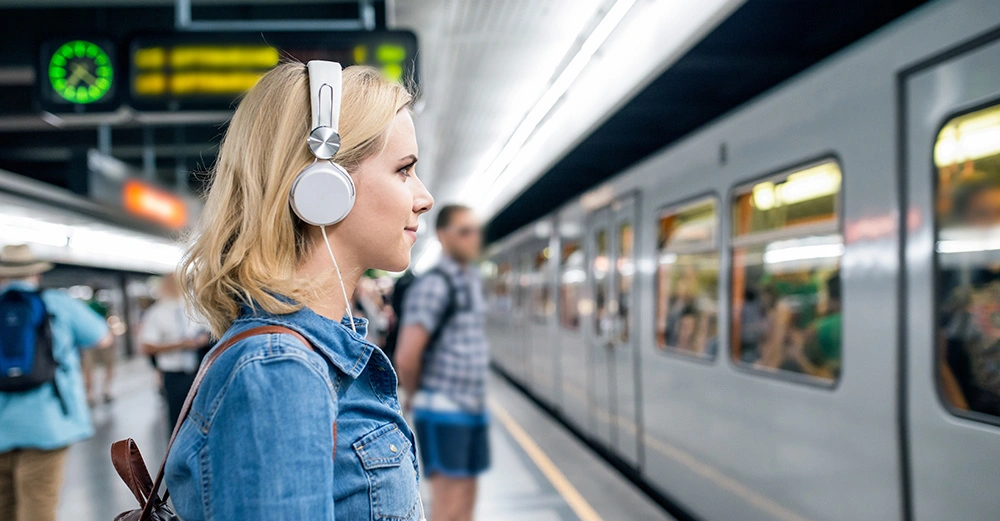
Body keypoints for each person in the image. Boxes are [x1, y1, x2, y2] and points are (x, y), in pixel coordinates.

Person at [165, 61, 433, 520]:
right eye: (404, 170)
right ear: (324, 187)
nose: (424, 196)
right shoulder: (279, 373)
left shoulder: (307, 353)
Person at [0, 244, 112, 521]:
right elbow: (102, 337)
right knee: (38, 506)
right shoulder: (56, 304)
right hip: (47, 423)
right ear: (35, 274)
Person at [396, 204, 490, 521]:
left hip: (469, 405)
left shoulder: (468, 283)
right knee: (449, 500)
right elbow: (407, 355)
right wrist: (417, 396)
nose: (472, 240)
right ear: (442, 236)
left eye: (475, 231)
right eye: (463, 232)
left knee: (465, 493)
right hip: (443, 407)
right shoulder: (433, 286)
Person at [139, 273, 209, 429]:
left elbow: (209, 332)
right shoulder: (156, 313)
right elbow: (147, 346)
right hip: (174, 374)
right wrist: (180, 345)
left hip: (199, 371)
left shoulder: (196, 309)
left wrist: (203, 339)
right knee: (177, 420)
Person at [81, 295, 116, 405]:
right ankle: (106, 392)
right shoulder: (102, 308)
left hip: (88, 342)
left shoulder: (85, 307)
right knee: (108, 366)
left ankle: (90, 395)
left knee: (88, 369)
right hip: (102, 340)